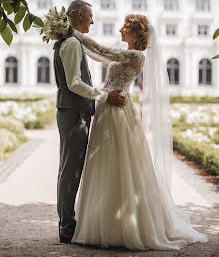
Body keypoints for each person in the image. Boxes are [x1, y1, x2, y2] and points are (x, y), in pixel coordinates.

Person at [69, 14, 208, 250]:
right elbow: (99, 55)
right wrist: (78, 47)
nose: (120, 29)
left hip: (117, 110)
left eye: (125, 27)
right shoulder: (126, 54)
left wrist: (73, 33)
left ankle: (123, 226)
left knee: (117, 162)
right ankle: (106, 221)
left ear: (134, 33)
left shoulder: (135, 55)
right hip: (108, 105)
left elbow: (102, 49)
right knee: (104, 162)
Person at [53, 0, 126, 244]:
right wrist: (104, 95)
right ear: (81, 15)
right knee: (70, 171)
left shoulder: (70, 42)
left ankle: (67, 223)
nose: (93, 22)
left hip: (71, 111)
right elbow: (74, 83)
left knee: (69, 169)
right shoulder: (72, 44)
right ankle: (66, 226)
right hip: (74, 113)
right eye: (91, 17)